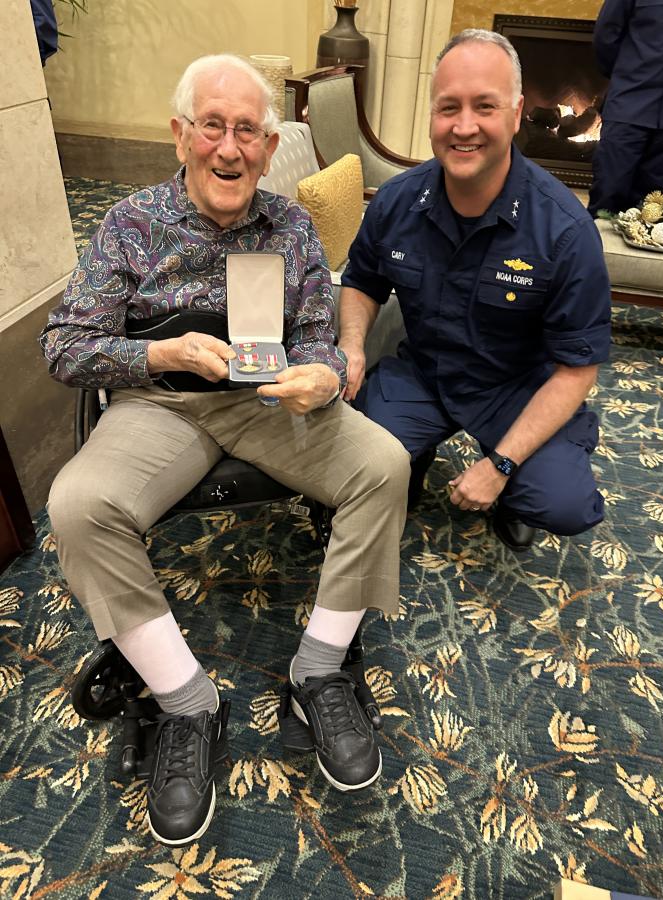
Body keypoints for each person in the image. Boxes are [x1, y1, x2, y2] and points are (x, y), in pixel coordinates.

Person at [41, 54, 410, 847]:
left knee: (384, 463)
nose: (229, 148)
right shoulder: (130, 223)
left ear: (269, 147)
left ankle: (318, 672)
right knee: (77, 504)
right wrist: (163, 357)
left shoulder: (291, 227)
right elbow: (66, 346)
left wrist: (322, 373)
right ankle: (187, 703)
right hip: (160, 405)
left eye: (248, 130)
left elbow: (318, 337)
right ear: (181, 133)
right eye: (212, 126)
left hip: (265, 403)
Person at [338, 29, 611, 552]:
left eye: (484, 106)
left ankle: (516, 485)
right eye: (448, 108)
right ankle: (410, 455)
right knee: (348, 467)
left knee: (563, 503)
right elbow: (361, 282)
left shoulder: (565, 231)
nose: (464, 127)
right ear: (432, 117)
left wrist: (502, 465)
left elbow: (577, 368)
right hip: (425, 373)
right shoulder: (397, 201)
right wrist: (351, 344)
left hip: (518, 387)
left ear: (516, 114)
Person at [588, 0, 663, 217]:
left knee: (650, 207)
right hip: (629, 104)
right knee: (607, 193)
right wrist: (626, 76)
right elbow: (606, 36)